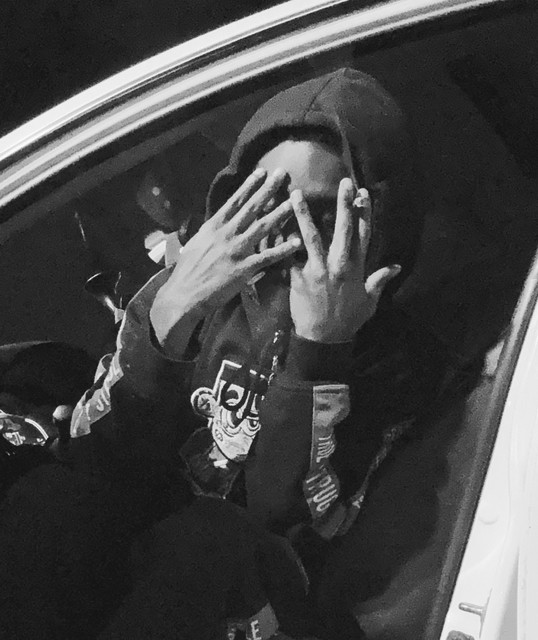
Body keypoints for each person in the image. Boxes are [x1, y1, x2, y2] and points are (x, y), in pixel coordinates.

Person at [0, 68, 451, 640]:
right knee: (48, 500)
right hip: (141, 552)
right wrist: (169, 320)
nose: (286, 232)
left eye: (319, 213)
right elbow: (98, 462)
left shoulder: (395, 360)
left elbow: (291, 523)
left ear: (374, 222)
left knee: (210, 538)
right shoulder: (194, 288)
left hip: (255, 597)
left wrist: (321, 350)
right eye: (264, 203)